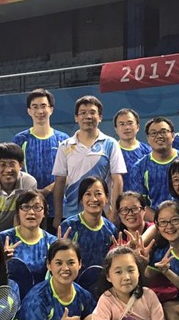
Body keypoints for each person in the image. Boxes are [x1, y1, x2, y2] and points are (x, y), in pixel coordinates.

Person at [52, 95, 126, 228]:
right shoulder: (65, 146)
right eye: (83, 113)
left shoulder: (110, 144)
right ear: (76, 117)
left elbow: (118, 180)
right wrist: (58, 216)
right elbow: (60, 182)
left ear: (100, 117)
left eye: (92, 112)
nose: (88, 116)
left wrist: (114, 214)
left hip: (102, 213)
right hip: (71, 213)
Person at [12, 89, 68, 231]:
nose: (39, 111)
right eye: (35, 107)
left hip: (57, 209)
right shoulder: (20, 140)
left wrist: (47, 190)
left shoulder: (63, 140)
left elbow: (70, 173)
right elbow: (14, 172)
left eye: (43, 106)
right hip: (28, 208)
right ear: (29, 111)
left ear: (51, 109)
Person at [128, 117, 179, 212]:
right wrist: (161, 219)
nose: (159, 136)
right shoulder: (139, 168)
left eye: (163, 132)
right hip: (155, 219)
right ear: (148, 138)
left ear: (173, 135)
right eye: (153, 133)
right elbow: (140, 205)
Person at [59, 177, 118, 272]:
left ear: (107, 198)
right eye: (88, 194)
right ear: (81, 199)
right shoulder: (69, 226)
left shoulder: (111, 229)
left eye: (98, 194)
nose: (94, 199)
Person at [0, 190, 58, 286]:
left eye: (37, 207)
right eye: (26, 207)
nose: (31, 212)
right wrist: (1, 260)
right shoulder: (3, 238)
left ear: (44, 213)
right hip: (9, 293)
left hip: (41, 294)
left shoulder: (52, 242)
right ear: (18, 212)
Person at [0, 142, 37, 232]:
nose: (8, 170)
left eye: (12, 164)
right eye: (3, 165)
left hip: (17, 233)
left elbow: (25, 215)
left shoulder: (28, 183)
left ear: (21, 165)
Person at [114, 108, 151, 172]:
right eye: (122, 124)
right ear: (116, 129)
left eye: (130, 123)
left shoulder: (148, 151)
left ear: (137, 127)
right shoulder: (112, 151)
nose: (126, 127)